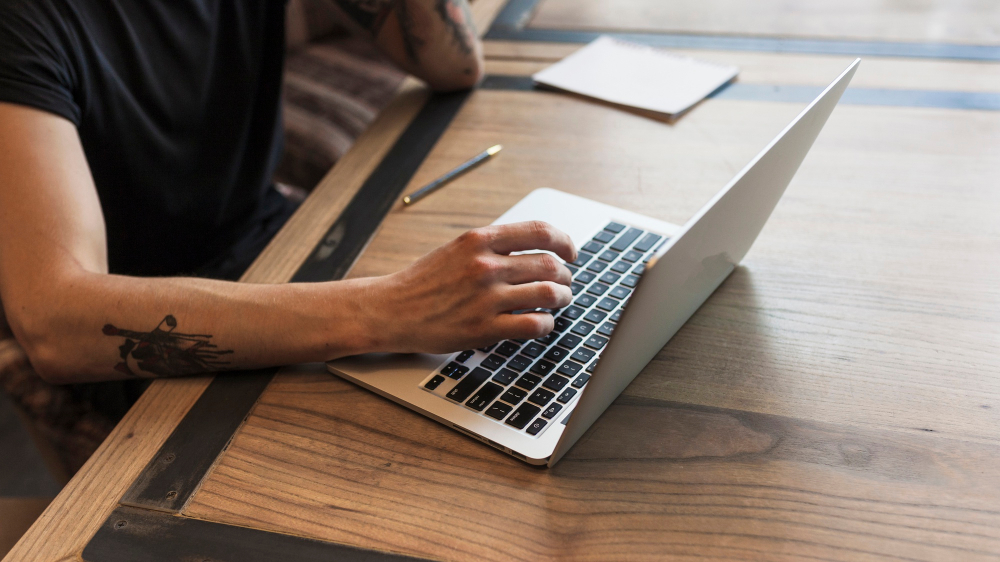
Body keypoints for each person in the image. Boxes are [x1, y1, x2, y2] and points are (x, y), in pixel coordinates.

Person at [0, 0, 574, 404]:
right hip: (135, 332)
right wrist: (387, 310)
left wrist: (388, 311)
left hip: (273, 239)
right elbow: (55, 323)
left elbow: (453, 64)